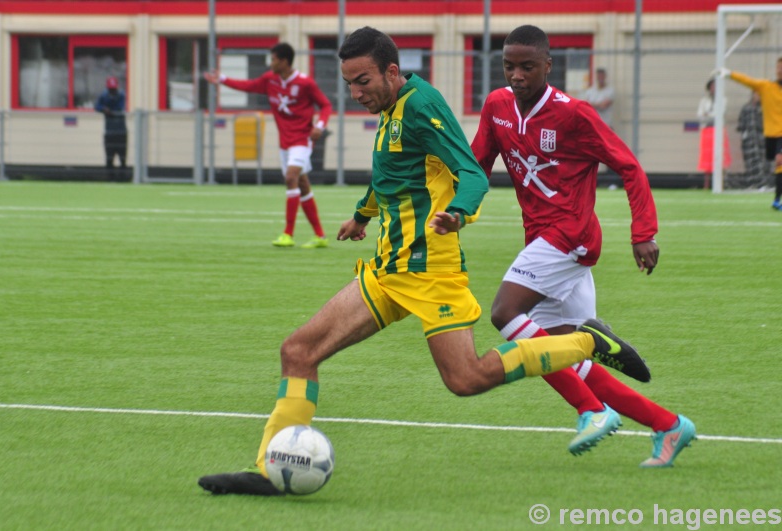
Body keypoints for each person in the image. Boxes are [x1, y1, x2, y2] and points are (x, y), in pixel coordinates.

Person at [198, 26, 652, 496]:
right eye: (349, 83)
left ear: (392, 72)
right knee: (298, 352)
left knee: (466, 379)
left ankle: (583, 340)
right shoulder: (391, 106)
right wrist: (361, 216)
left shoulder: (421, 105)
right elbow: (391, 173)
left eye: (363, 82)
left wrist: (457, 211)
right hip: (387, 271)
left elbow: (470, 172)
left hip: (430, 273)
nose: (355, 94)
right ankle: (269, 469)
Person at [471, 25, 696, 468]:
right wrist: (451, 206)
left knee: (503, 314)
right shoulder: (497, 106)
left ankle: (591, 408)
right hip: (541, 239)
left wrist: (643, 232)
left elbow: (628, 166)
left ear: (548, 67)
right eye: (509, 66)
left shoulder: (574, 114)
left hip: (569, 236)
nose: (516, 75)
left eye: (527, 66)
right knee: (552, 350)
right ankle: (668, 424)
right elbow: (477, 165)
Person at [204, 43, 333, 247]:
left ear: (283, 61)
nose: (270, 63)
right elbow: (247, 85)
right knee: (302, 184)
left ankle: (287, 234)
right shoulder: (269, 80)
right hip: (285, 142)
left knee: (290, 177)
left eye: (273, 59)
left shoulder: (305, 83)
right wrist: (221, 79)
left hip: (302, 139)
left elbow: (325, 105)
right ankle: (320, 236)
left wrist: (319, 125)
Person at [713, 60, 782, 210]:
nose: (780, 70)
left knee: (779, 161)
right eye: (779, 67)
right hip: (770, 135)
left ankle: (777, 200)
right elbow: (747, 81)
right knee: (775, 162)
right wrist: (730, 74)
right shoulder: (766, 87)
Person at [697, 78, 731, 190]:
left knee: (721, 156)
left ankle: (721, 183)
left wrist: (708, 115)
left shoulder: (723, 99)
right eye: (712, 86)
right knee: (707, 158)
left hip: (719, 130)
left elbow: (720, 114)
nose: (713, 88)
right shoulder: (704, 101)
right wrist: (709, 116)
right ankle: (706, 184)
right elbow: (700, 115)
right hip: (707, 130)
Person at [94, 76, 128, 182]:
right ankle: (110, 178)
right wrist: (104, 109)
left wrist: (109, 110)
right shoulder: (104, 96)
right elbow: (97, 106)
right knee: (109, 157)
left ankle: (122, 178)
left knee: (122, 157)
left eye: (113, 89)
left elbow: (119, 108)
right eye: (110, 89)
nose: (112, 91)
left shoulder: (121, 95)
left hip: (121, 131)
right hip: (109, 132)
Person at [736, 91, 769, 188]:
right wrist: (744, 134)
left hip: (762, 140)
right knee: (750, 162)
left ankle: (763, 183)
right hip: (749, 141)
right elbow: (740, 124)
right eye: (756, 94)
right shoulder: (746, 108)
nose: (757, 96)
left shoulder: (764, 108)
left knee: (763, 162)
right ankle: (752, 183)